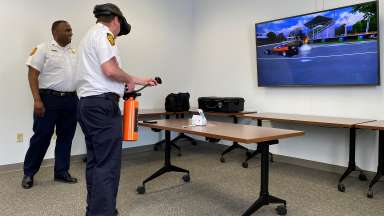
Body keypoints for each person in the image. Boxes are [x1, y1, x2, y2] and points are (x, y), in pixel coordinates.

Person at [76, 3, 158, 215]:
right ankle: (103, 212)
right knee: (107, 165)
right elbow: (111, 70)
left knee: (96, 162)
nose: (118, 34)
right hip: (102, 107)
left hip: (87, 105)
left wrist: (138, 79)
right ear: (116, 20)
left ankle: (94, 210)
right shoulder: (105, 34)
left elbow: (109, 73)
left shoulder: (88, 36)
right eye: (119, 29)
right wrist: (129, 79)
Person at [22, 20, 79, 189]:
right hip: (48, 99)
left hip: (71, 100)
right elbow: (32, 75)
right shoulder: (43, 48)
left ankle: (61, 172)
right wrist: (37, 100)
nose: (71, 33)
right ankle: (29, 173)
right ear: (55, 32)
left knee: (66, 137)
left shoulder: (75, 51)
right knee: (42, 136)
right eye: (67, 30)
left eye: (71, 30)